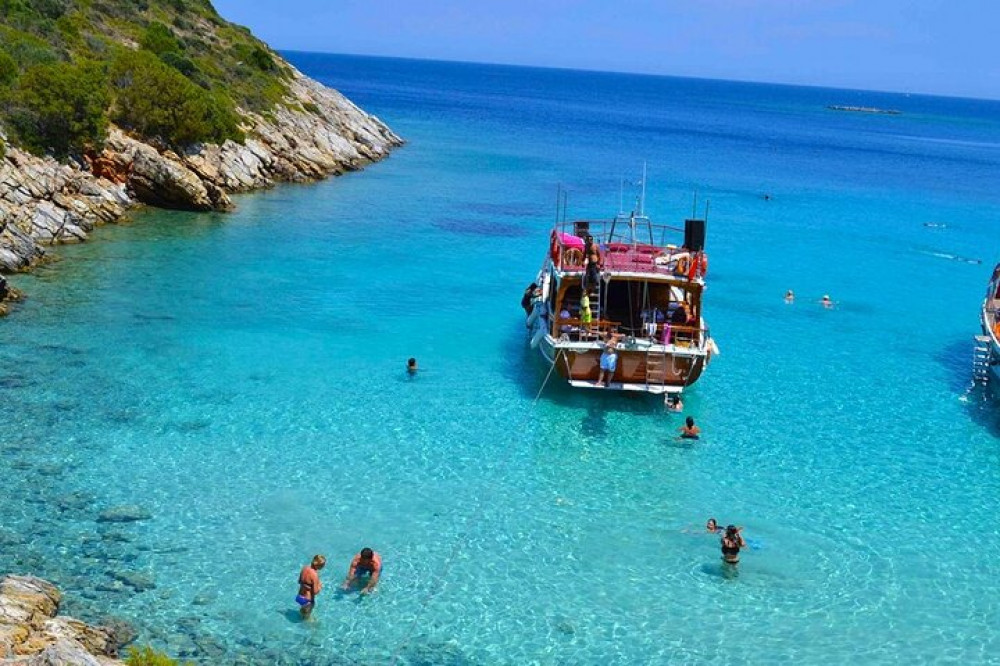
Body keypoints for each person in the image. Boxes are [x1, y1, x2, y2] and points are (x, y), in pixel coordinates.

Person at [295, 554, 326, 619]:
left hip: (299, 596)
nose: (323, 566)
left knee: (302, 612)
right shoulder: (314, 575)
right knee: (307, 618)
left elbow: (299, 581)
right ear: (319, 565)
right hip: (307, 600)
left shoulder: (304, 568)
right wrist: (320, 586)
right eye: (323, 565)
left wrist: (307, 586)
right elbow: (315, 592)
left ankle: (301, 616)